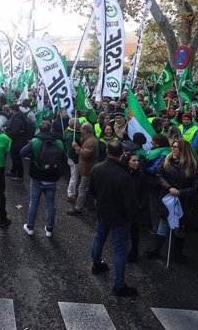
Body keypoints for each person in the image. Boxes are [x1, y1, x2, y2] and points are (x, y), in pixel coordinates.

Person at [88, 141, 140, 296]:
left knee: (99, 238)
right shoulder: (123, 175)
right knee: (119, 250)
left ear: (107, 151)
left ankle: (96, 264)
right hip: (120, 217)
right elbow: (130, 202)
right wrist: (133, 217)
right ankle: (119, 284)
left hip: (103, 211)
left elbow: (93, 190)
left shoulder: (97, 168)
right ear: (122, 152)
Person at [146, 139, 198, 262]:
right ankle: (156, 249)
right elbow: (159, 175)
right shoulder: (167, 161)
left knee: (180, 227)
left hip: (184, 202)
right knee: (163, 223)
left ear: (183, 150)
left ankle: (177, 252)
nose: (172, 149)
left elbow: (197, 186)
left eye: (175, 147)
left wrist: (180, 192)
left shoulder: (194, 166)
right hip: (167, 199)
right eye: (172, 147)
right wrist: (169, 188)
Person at [20, 121, 65, 237]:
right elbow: (63, 157)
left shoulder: (35, 141)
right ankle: (49, 229)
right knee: (51, 204)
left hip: (37, 178)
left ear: (40, 129)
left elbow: (22, 153)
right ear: (50, 130)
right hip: (52, 178)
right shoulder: (59, 142)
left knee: (34, 203)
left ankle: (30, 227)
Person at [67, 123, 99, 215]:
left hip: (88, 169)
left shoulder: (91, 141)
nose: (80, 130)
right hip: (86, 168)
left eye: (81, 129)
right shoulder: (88, 138)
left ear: (86, 130)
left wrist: (76, 147)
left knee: (82, 188)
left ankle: (78, 208)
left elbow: (85, 154)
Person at [122, 151, 146, 263]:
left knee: (134, 231)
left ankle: (134, 251)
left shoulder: (140, 175)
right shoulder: (121, 173)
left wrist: (140, 205)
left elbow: (143, 192)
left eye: (137, 160)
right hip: (122, 208)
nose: (137, 163)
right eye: (134, 160)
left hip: (135, 209)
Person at [5, 103, 28, 180]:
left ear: (13, 110)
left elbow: (15, 130)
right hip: (16, 141)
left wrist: (6, 134)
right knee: (13, 156)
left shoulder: (17, 117)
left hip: (17, 141)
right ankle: (13, 171)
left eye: (10, 109)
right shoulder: (17, 116)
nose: (9, 111)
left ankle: (19, 175)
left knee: (17, 158)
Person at [64, 118, 81, 204]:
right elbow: (71, 150)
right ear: (74, 125)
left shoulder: (72, 132)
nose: (80, 124)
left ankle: (72, 191)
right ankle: (70, 194)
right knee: (74, 177)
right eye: (78, 123)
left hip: (73, 158)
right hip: (73, 159)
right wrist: (75, 159)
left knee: (74, 176)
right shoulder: (71, 135)